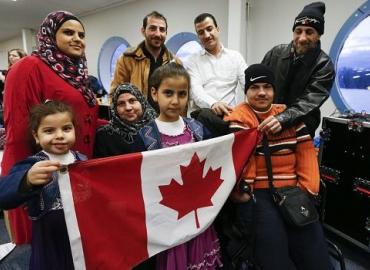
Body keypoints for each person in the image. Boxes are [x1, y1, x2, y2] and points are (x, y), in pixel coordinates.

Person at [1, 11, 99, 245]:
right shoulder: (28, 67)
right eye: (68, 32)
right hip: (42, 177)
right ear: (49, 35)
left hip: (76, 168)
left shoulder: (75, 73)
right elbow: (18, 131)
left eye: (81, 34)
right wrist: (24, 183)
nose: (77, 38)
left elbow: (85, 119)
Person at [224, 64, 331, 270]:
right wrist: (245, 189)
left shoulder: (288, 115)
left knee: (314, 251)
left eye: (267, 87)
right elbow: (243, 159)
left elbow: (306, 151)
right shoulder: (239, 117)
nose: (262, 92)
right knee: (274, 253)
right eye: (255, 87)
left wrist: (307, 189)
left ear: (274, 90)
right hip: (260, 191)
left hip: (294, 190)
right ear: (246, 91)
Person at [134, 62, 222, 269]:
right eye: (168, 93)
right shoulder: (145, 136)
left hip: (198, 214)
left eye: (182, 94)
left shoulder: (198, 130)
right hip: (168, 217)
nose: (175, 101)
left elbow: (215, 161)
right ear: (154, 93)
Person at [0, 100, 85, 269]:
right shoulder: (32, 165)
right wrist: (27, 180)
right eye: (49, 131)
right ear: (36, 136)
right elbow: (4, 195)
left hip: (82, 241)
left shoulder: (83, 161)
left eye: (66, 128)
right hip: (49, 246)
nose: (60, 135)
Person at [261, 1, 335, 138]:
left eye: (309, 32)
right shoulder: (275, 53)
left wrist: (282, 119)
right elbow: (259, 84)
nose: (302, 38)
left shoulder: (324, 65)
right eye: (298, 31)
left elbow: (308, 102)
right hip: (268, 121)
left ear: (319, 35)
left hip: (301, 127)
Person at [110, 11, 180, 109]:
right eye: (152, 28)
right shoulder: (127, 59)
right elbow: (115, 93)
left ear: (166, 33)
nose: (158, 34)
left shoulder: (175, 62)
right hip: (137, 120)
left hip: (166, 119)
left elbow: (180, 95)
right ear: (143, 31)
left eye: (162, 30)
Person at [186, 13, 247, 116]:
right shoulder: (192, 61)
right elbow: (195, 90)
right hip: (204, 116)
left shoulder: (235, 57)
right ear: (198, 37)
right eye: (201, 32)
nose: (206, 35)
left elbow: (248, 85)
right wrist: (213, 104)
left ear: (218, 29)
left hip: (230, 115)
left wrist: (247, 109)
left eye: (209, 29)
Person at [94, 83, 156, 157]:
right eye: (121, 103)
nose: (128, 108)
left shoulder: (156, 128)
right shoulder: (104, 136)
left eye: (132, 101)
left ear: (142, 103)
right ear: (115, 109)